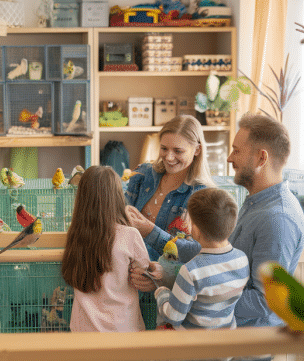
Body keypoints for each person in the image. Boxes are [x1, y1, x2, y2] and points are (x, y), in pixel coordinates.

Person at [223, 113, 304, 328]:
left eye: (237, 151)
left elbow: (264, 301)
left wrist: (206, 299)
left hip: (249, 344)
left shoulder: (277, 218)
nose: (229, 158)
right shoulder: (256, 203)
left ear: (261, 158)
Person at [61, 165, 155, 332]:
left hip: (83, 330)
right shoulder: (130, 235)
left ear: (81, 198)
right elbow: (144, 278)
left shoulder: (75, 235)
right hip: (123, 329)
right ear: (117, 196)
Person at [124, 114, 216, 263]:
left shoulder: (203, 196)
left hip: (170, 281)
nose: (169, 157)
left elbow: (197, 253)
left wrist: (149, 231)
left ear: (197, 150)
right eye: (164, 148)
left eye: (178, 151)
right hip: (126, 271)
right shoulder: (143, 174)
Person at [154, 188, 249, 330]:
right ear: (233, 224)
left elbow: (174, 317)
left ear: (196, 230)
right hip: (226, 344)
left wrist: (162, 293)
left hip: (195, 347)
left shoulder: (192, 271)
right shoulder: (242, 259)